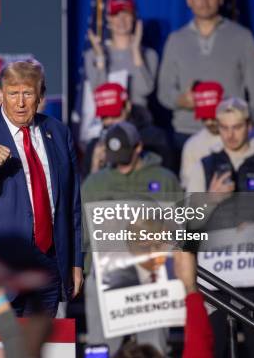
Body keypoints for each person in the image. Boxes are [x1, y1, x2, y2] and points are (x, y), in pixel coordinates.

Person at [0, 59, 83, 317]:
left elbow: (72, 205)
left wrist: (76, 262)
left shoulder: (58, 133)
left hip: (46, 268)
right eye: (13, 93)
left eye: (28, 93)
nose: (20, 102)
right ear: (0, 93)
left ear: (41, 95)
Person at [185, 97, 254, 358]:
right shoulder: (204, 166)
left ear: (249, 125)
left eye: (237, 127)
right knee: (217, 347)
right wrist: (210, 199)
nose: (230, 134)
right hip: (216, 277)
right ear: (217, 127)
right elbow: (188, 222)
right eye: (224, 127)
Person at [81, 121, 181, 355]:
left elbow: (179, 226)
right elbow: (84, 233)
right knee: (100, 345)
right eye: (115, 158)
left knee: (154, 345)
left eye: (125, 157)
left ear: (139, 147)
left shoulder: (165, 178)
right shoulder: (95, 184)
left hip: (152, 271)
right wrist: (87, 271)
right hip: (107, 272)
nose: (121, 165)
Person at [157, 0, 254, 154]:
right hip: (187, 133)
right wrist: (181, 100)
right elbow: (164, 92)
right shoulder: (176, 39)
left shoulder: (242, 37)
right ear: (189, 0)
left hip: (232, 134)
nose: (204, 2)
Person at [81, 0, 158, 144]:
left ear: (134, 16)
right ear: (108, 18)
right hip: (107, 125)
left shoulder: (149, 54)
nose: (121, 20)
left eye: (126, 14)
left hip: (140, 124)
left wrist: (136, 51)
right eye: (116, 14)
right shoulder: (93, 54)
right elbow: (100, 94)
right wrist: (101, 58)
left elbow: (145, 90)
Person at [83, 83, 172, 176]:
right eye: (104, 117)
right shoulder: (95, 145)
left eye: (115, 115)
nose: (110, 121)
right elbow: (85, 186)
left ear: (128, 106)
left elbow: (166, 178)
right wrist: (95, 166)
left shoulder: (154, 138)